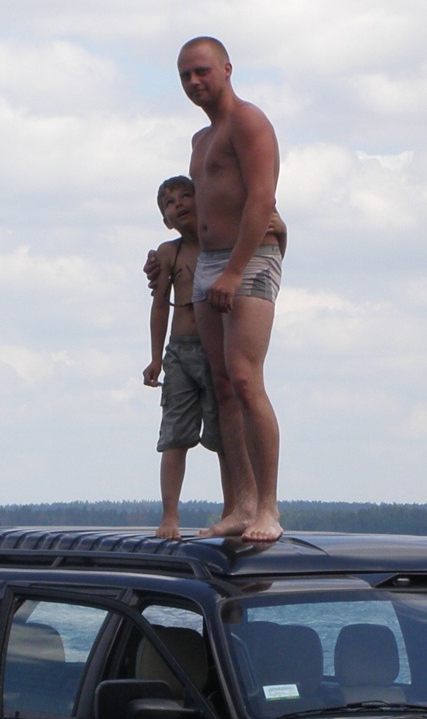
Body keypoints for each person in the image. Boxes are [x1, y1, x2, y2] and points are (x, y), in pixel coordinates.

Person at [177, 35, 287, 543]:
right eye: (185, 75)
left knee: (245, 378)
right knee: (221, 384)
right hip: (208, 263)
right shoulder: (200, 140)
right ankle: (241, 504)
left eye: (202, 71)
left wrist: (235, 270)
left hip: (248, 258)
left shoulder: (249, 121)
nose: (194, 81)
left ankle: (268, 508)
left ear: (226, 69)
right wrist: (171, 256)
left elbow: (262, 198)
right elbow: (205, 208)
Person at [145, 176, 236, 540]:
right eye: (169, 202)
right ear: (165, 220)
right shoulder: (170, 252)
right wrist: (156, 358)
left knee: (225, 435)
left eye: (186, 195)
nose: (179, 203)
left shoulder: (223, 244)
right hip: (180, 352)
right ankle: (170, 516)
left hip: (217, 349)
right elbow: (159, 306)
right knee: (174, 435)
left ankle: (232, 510)